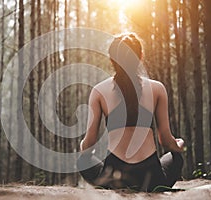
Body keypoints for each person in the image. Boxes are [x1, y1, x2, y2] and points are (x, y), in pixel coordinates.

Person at [77, 33, 184, 192]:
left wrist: (83, 147)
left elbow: (89, 143)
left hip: (114, 177)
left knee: (83, 160)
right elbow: (166, 141)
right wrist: (179, 144)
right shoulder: (157, 89)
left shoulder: (99, 91)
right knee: (176, 158)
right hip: (152, 177)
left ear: (112, 59)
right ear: (140, 56)